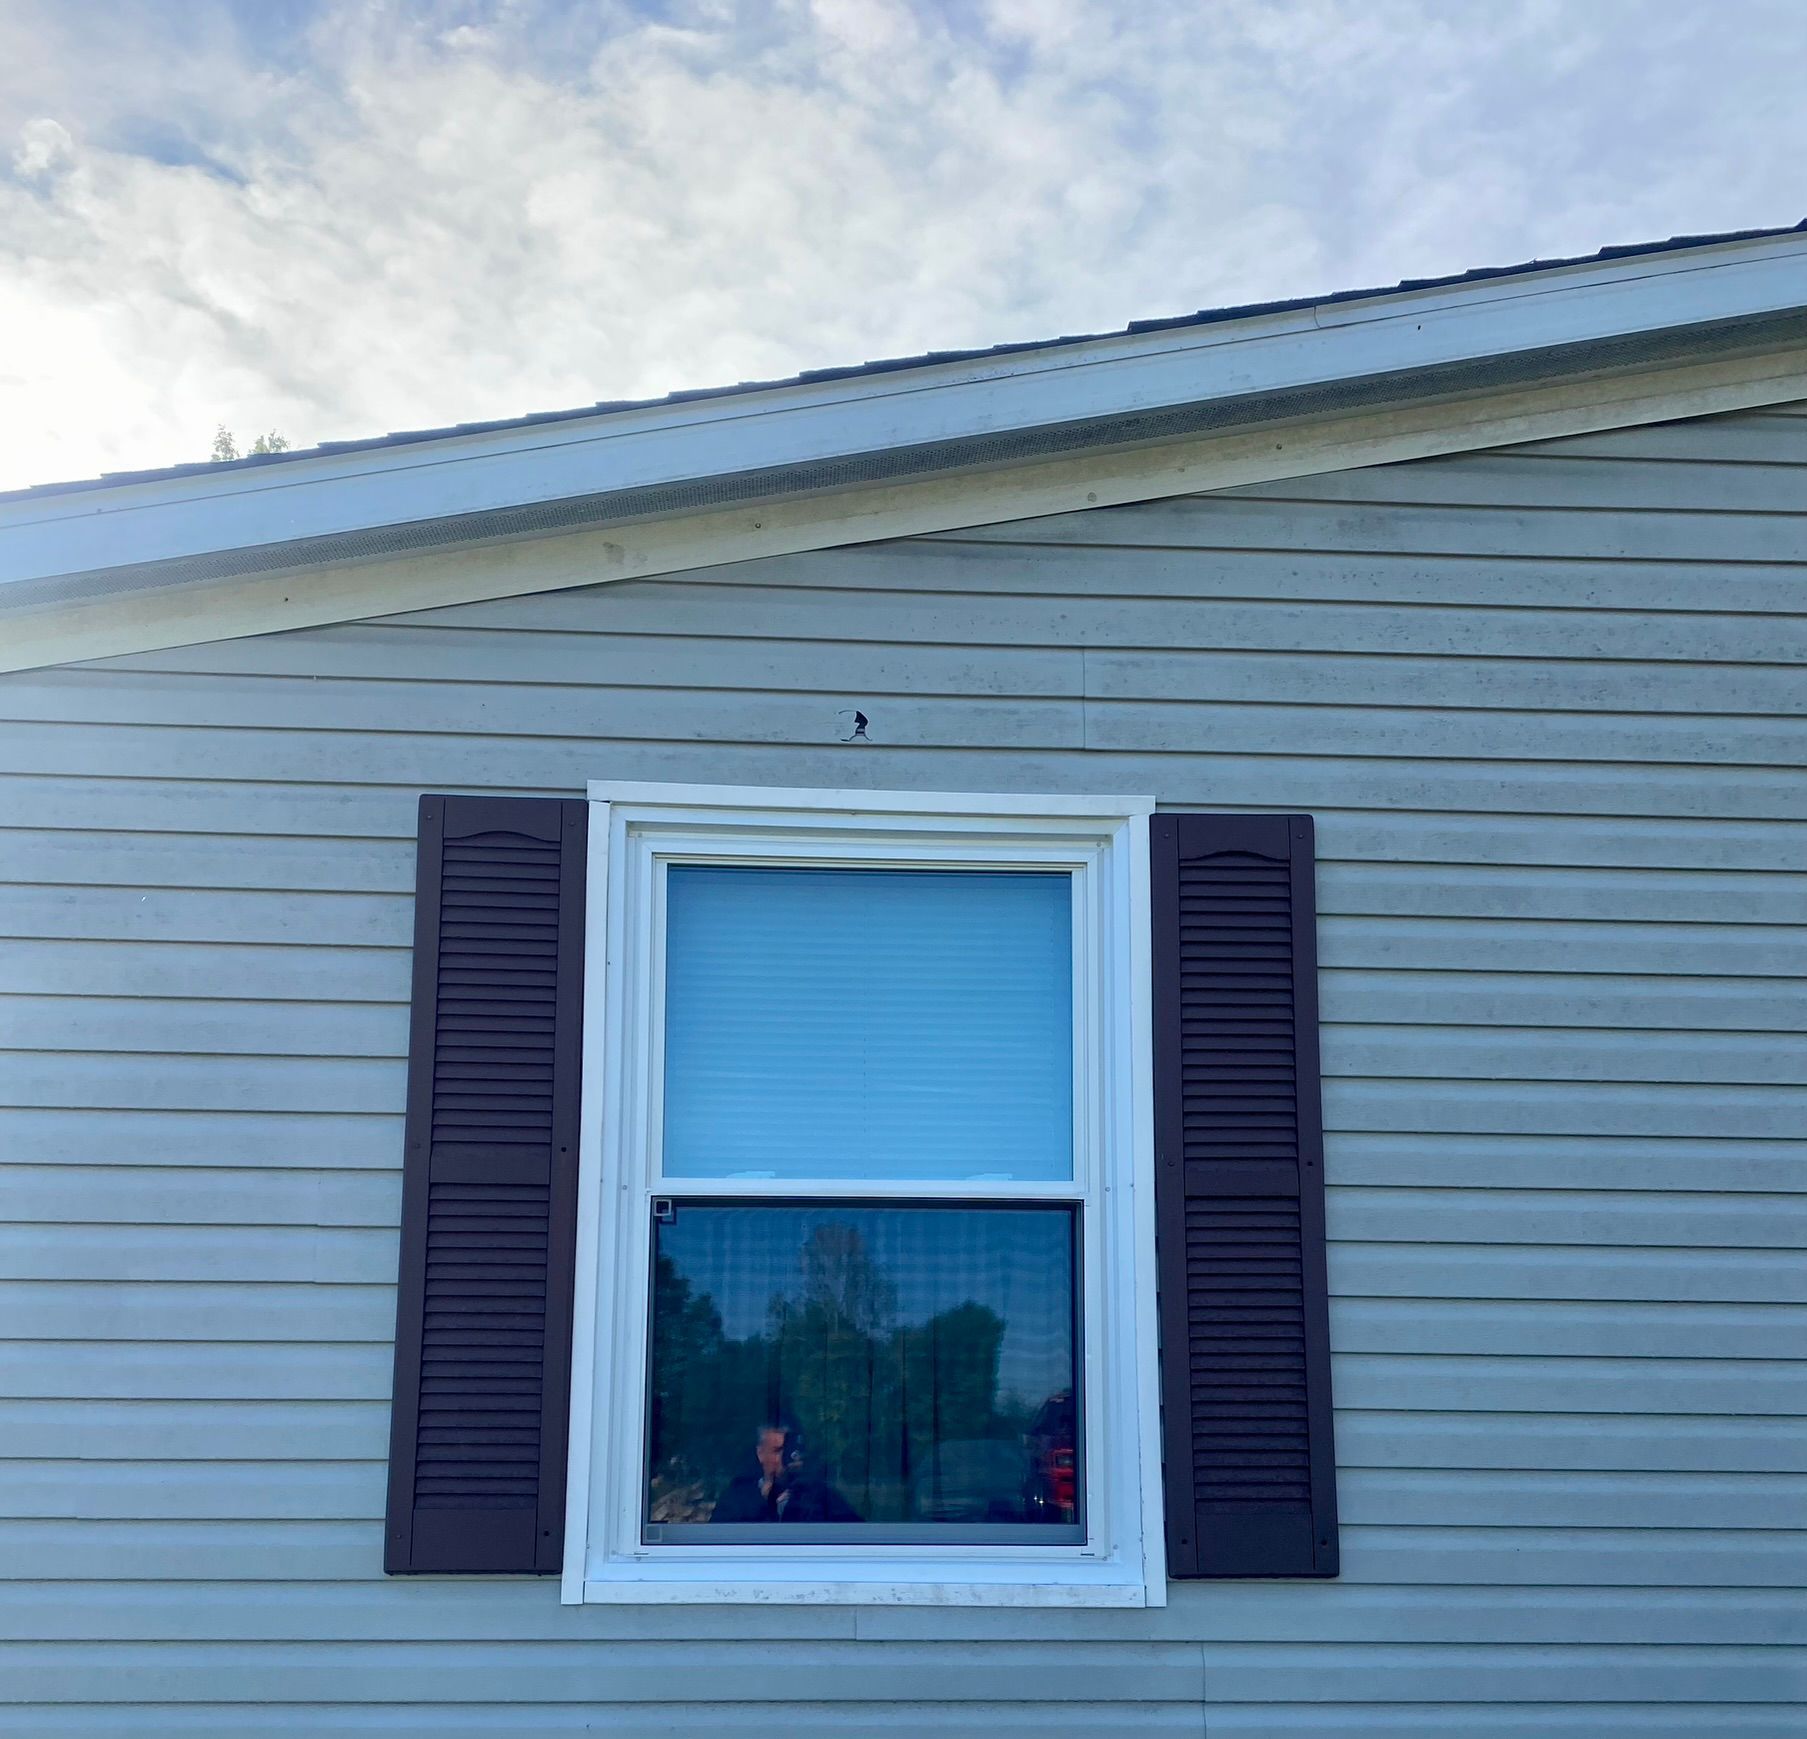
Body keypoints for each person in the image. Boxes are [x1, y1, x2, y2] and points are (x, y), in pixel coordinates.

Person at [711, 1423, 861, 1523]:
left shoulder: (821, 1498)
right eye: (778, 1451)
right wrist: (763, 1502)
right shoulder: (737, 1498)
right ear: (760, 1453)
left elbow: (854, 1536)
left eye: (792, 1451)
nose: (787, 1459)